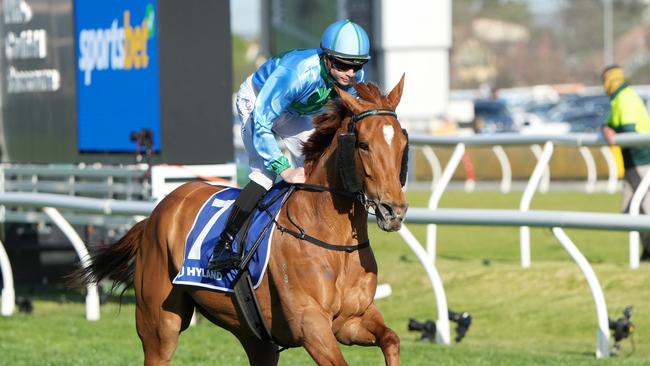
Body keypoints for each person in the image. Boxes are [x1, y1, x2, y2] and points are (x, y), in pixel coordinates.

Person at [208, 19, 371, 270]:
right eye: (342, 64)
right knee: (265, 172)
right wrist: (285, 169)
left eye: (357, 65)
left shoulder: (355, 77)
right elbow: (262, 120)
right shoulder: (298, 73)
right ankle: (223, 246)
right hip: (257, 101)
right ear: (327, 58)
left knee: (317, 163)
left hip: (292, 112)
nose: (350, 73)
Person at [601, 64, 650, 261]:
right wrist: (606, 129)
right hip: (632, 162)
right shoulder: (617, 100)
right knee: (630, 208)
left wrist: (611, 131)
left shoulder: (626, 97)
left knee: (644, 209)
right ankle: (647, 250)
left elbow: (628, 129)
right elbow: (608, 124)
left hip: (644, 160)